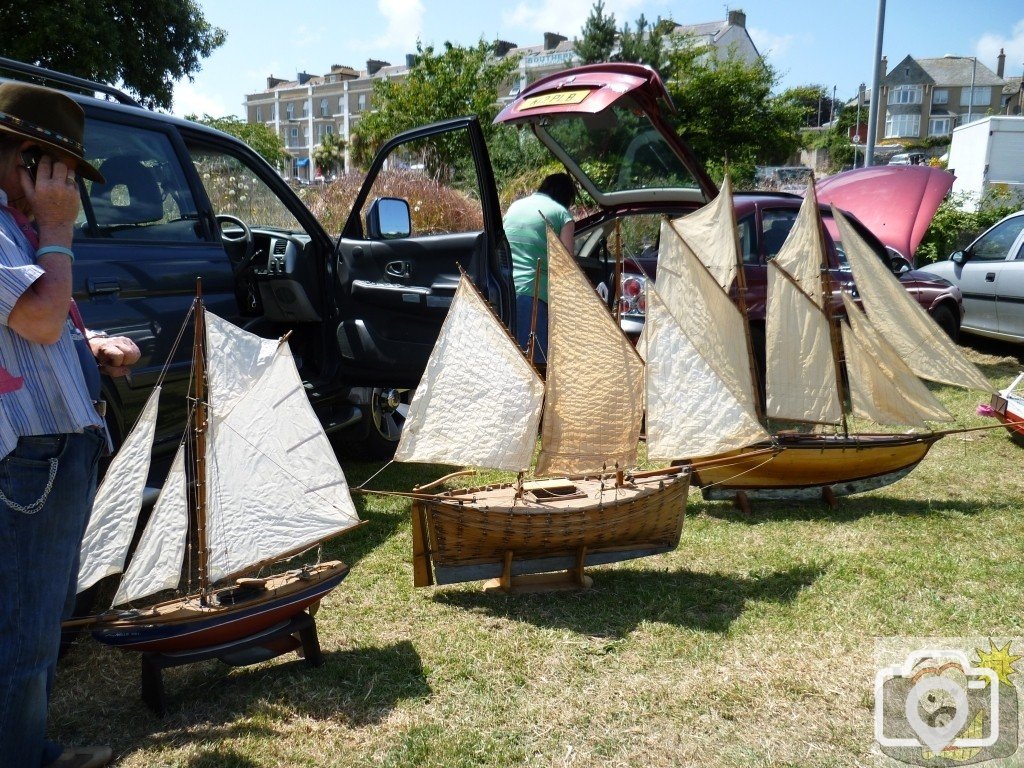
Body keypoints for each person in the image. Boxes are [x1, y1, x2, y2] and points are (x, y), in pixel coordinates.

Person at [0, 82, 141, 768]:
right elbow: (39, 316)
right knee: (23, 629)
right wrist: (58, 229)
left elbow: (29, 332)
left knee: (37, 617)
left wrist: (87, 351)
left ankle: (30, 747)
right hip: (28, 459)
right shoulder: (11, 229)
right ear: (28, 159)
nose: (67, 192)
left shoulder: (14, 228)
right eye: (58, 172)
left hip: (47, 449)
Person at [503, 172, 576, 358]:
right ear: (566, 196)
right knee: (537, 364)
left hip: (505, 292)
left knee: (511, 359)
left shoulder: (514, 206)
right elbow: (566, 264)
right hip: (534, 294)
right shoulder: (562, 214)